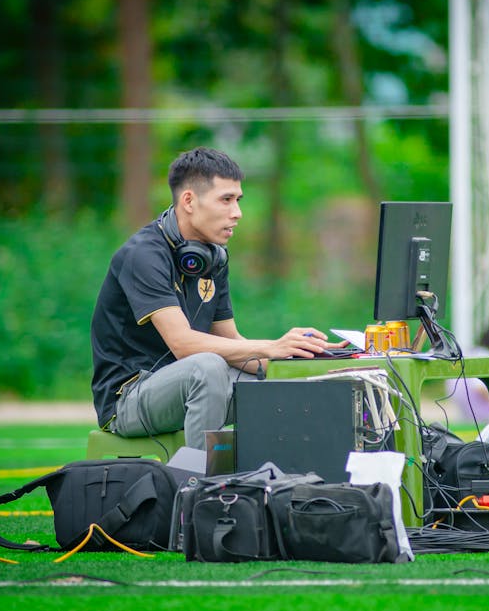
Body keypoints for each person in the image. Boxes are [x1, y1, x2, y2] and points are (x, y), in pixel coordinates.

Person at [90, 147, 346, 449]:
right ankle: (200, 489)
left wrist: (300, 363)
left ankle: (287, 486)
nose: (237, 212)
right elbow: (184, 345)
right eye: (226, 200)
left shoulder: (212, 258)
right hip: (128, 400)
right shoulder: (143, 255)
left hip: (197, 383)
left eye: (238, 200)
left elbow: (232, 342)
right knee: (208, 367)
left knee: (295, 388)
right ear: (189, 200)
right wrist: (271, 346)